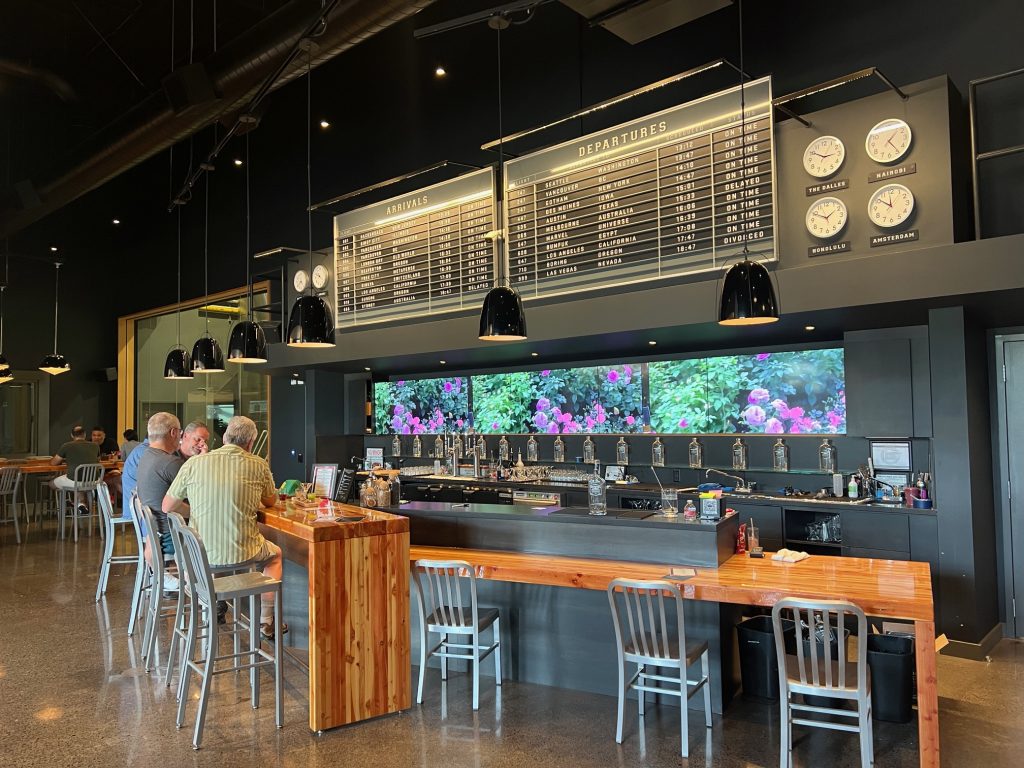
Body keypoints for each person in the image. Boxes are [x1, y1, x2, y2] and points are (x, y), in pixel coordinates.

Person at [163, 415, 285, 638]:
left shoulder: (194, 463)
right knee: (275, 555)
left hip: (199, 558)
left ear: (225, 438)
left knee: (212, 551)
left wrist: (198, 511)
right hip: (244, 553)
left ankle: (210, 609)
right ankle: (266, 620)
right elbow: (270, 502)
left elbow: (167, 506)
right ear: (250, 443)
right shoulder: (258, 464)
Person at [136, 412, 184, 590]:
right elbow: (198, 496)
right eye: (180, 432)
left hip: (154, 533)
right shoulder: (171, 463)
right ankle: (206, 595)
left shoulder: (145, 457)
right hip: (171, 536)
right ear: (173, 433)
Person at [50, 425, 101, 513]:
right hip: (94, 481)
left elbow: (54, 462)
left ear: (72, 435)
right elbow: (98, 460)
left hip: (75, 481)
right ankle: (80, 504)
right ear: (84, 435)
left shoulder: (66, 446)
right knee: (79, 484)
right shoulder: (95, 446)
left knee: (51, 484)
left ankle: (69, 502)